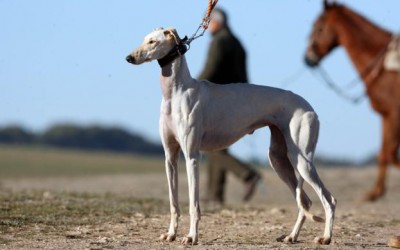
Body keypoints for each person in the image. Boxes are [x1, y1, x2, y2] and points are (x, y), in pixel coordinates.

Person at [198, 8, 261, 205]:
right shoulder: (236, 42)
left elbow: (210, 70)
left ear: (218, 22)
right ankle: (215, 195)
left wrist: (192, 87)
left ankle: (248, 175)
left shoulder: (220, 42)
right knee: (218, 146)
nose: (206, 25)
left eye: (209, 21)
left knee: (213, 145)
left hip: (221, 99)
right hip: (237, 98)